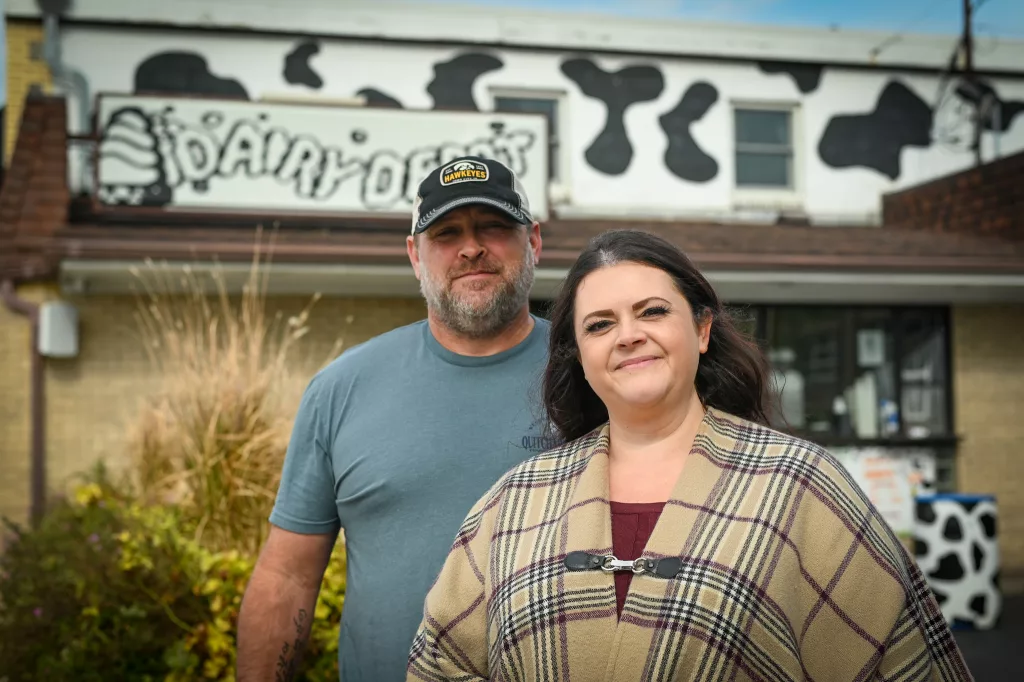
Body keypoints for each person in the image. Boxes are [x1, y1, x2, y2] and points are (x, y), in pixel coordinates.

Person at [408, 229, 972, 681]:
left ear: (701, 329)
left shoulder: (801, 482)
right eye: (600, 325)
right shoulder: (517, 498)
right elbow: (441, 662)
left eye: (652, 312)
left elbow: (904, 664)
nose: (628, 335)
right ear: (579, 356)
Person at [237, 155, 552, 682]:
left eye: (494, 227)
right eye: (446, 233)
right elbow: (287, 575)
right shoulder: (342, 388)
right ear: (414, 254)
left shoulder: (592, 372)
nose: (471, 247)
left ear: (534, 242)